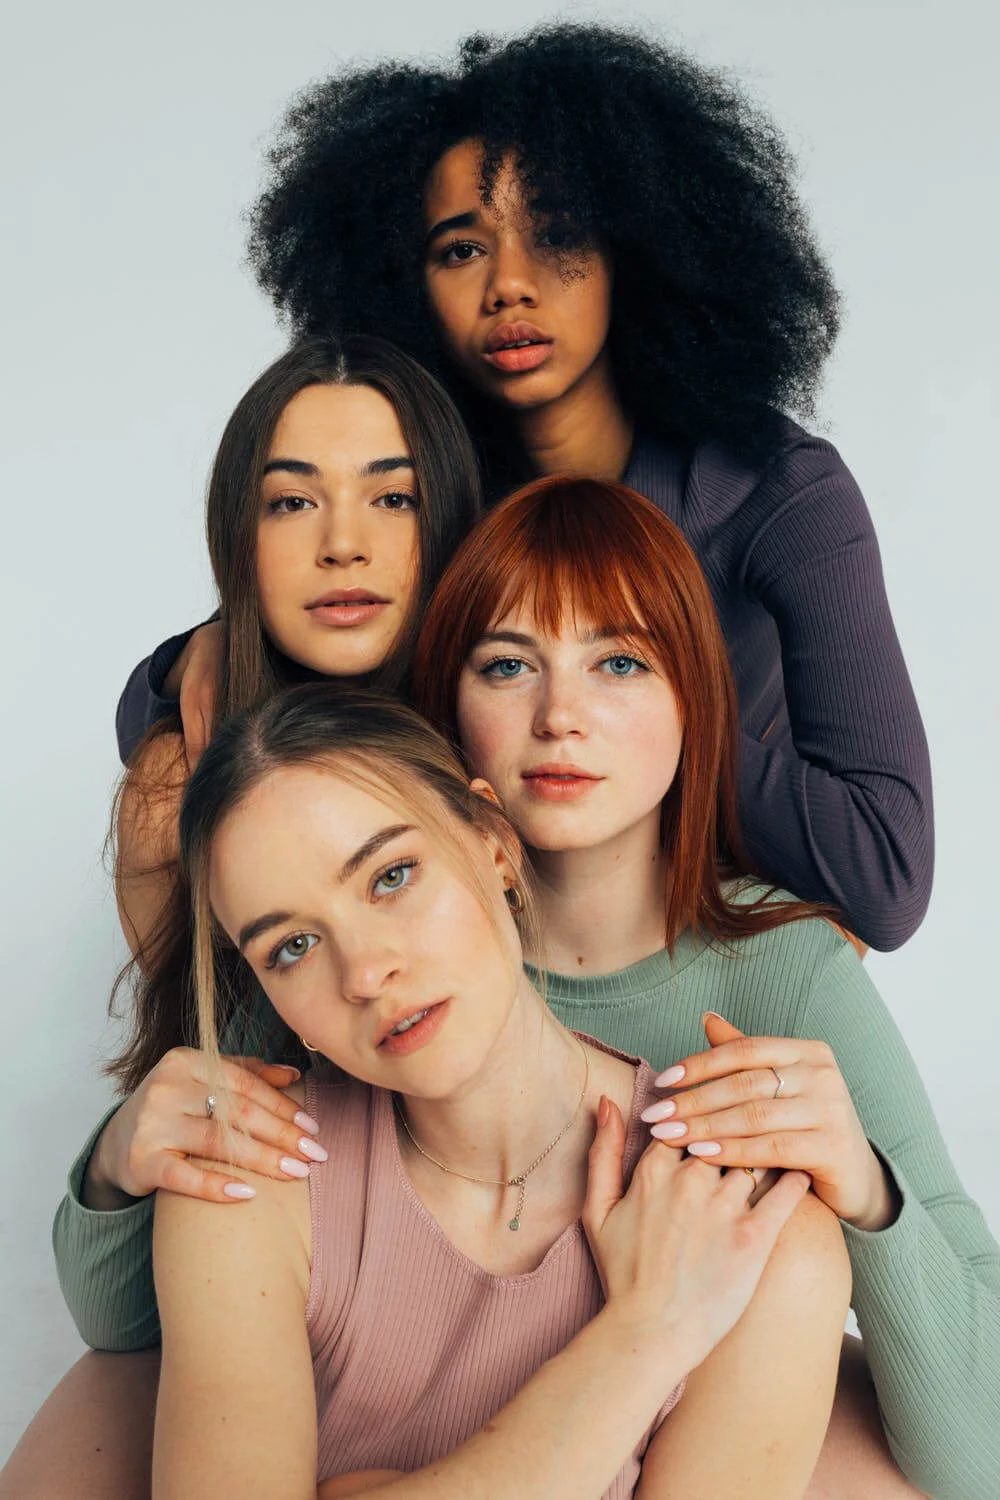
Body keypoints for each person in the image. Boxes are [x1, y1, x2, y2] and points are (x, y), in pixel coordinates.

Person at [119, 23, 933, 951]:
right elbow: (187, 738)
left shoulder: (772, 492)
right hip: (477, 955)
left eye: (555, 234)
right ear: (407, 282)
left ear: (642, 246)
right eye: (461, 250)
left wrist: (648, 715)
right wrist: (201, 654)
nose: (509, 285)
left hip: (709, 951)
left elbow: (887, 875)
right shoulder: (429, 491)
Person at [409, 474, 1000, 1500]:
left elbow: (979, 1456)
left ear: (696, 702)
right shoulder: (386, 951)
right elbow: (130, 1325)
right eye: (508, 665)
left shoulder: (788, 968)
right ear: (448, 708)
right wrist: (118, 1175)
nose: (559, 715)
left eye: (620, 662)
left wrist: (863, 1189)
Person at [153, 683, 847, 1500]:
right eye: (294, 946)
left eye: (391, 877)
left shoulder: (752, 1227)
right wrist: (645, 1335)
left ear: (493, 844)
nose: (367, 973)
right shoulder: (243, 1180)